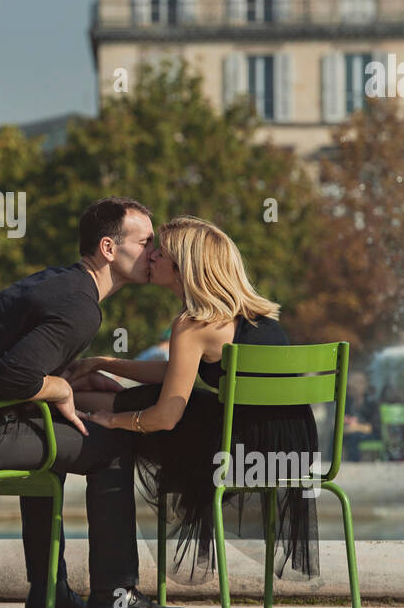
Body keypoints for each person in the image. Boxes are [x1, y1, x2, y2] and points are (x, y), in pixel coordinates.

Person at [0, 197, 189, 608]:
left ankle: (48, 594)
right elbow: (12, 377)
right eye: (146, 241)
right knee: (113, 443)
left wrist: (66, 381)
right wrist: (58, 385)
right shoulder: (80, 306)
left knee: (58, 436)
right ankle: (115, 595)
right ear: (108, 249)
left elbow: (7, 370)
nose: (154, 252)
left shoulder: (59, 284)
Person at [75, 216, 321, 584]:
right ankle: (69, 397)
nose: (152, 257)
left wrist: (116, 421)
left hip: (235, 453)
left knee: (141, 413)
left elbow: (166, 417)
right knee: (156, 398)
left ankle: (58, 403)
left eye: (160, 252)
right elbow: (177, 372)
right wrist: (106, 364)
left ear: (183, 266)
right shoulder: (254, 319)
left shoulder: (193, 324)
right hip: (287, 453)